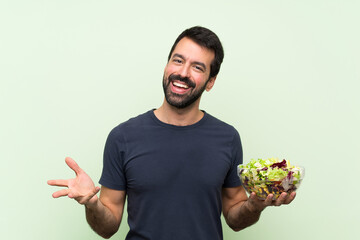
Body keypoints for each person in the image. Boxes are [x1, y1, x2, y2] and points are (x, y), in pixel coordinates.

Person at [48, 26, 296, 240]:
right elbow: (107, 227)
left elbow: (234, 217)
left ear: (211, 81)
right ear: (167, 65)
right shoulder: (122, 137)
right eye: (178, 61)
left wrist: (254, 205)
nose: (183, 73)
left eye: (197, 67)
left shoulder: (228, 138)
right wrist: (92, 204)